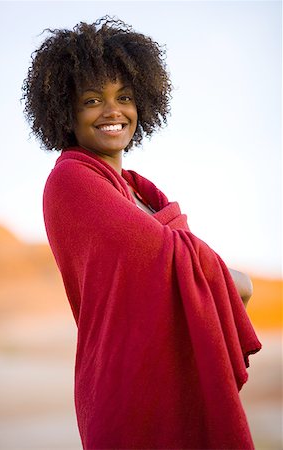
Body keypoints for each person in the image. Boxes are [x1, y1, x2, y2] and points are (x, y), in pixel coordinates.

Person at [22, 17, 261, 450]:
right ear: (64, 111)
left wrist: (217, 276)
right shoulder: (72, 181)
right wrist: (230, 279)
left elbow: (183, 263)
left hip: (165, 374)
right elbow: (166, 258)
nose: (113, 111)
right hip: (126, 389)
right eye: (92, 99)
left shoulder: (141, 191)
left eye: (125, 97)